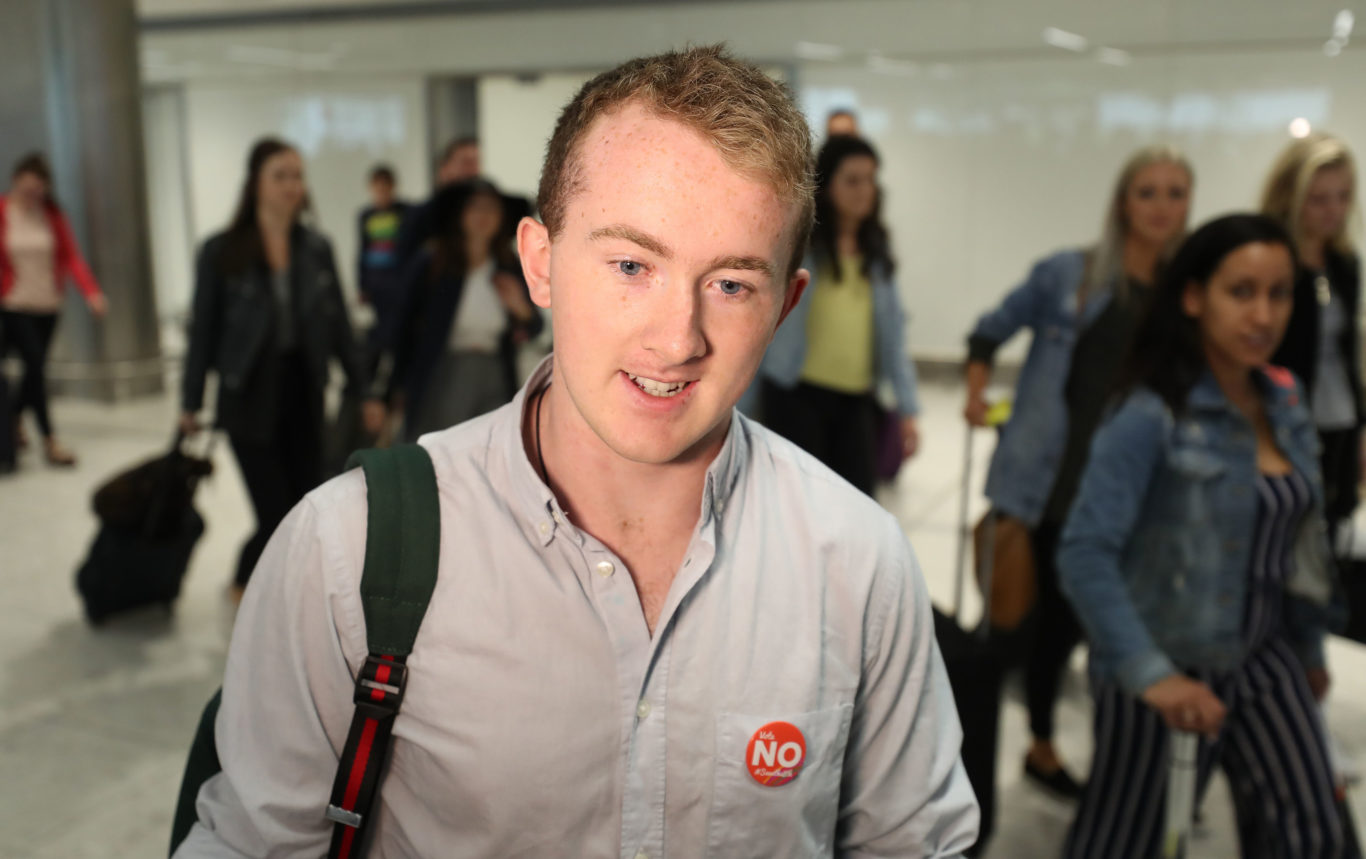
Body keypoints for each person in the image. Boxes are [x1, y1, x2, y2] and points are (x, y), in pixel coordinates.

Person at [174, 46, 977, 857]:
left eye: (731, 284)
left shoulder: (858, 562)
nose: (677, 339)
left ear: (783, 305)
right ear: (540, 262)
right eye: (631, 264)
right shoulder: (347, 548)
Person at [1058, 214, 1347, 859]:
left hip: (1266, 652)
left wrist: (1310, 648)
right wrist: (1150, 675)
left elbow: (1301, 546)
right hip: (1167, 658)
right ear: (1193, 297)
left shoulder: (1286, 398)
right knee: (1124, 843)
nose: (1264, 314)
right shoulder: (1149, 411)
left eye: (1279, 293)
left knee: (1315, 834)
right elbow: (1085, 552)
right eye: (1241, 292)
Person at [963, 145, 1193, 798]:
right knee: (1032, 626)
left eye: (1175, 193)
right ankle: (1029, 746)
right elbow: (987, 332)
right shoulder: (1074, 274)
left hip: (1135, 488)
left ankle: (1109, 756)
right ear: (1123, 201)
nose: (1161, 206)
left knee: (1106, 627)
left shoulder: (1187, 297)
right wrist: (979, 394)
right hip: (1049, 482)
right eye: (1147, 191)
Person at [180, 137, 382, 599]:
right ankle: (248, 580)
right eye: (280, 175)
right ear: (256, 183)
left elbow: (340, 329)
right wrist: (190, 401)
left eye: (297, 175)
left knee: (304, 501)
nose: (292, 185)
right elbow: (203, 333)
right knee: (273, 507)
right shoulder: (222, 251)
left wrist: (365, 391)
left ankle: (284, 589)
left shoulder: (315, 248)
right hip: (247, 393)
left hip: (303, 388)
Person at [750, 135, 921, 495]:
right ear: (827, 185)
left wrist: (907, 408)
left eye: (871, 179)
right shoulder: (801, 247)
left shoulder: (876, 254)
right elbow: (759, 322)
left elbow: (893, 337)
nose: (865, 190)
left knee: (856, 501)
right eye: (853, 180)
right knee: (797, 504)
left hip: (856, 399)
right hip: (797, 393)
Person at [1262, 132, 1364, 542]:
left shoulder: (1344, 264)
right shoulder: (1271, 262)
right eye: (1319, 199)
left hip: (1340, 416)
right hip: (1284, 415)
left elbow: (1348, 354)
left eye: (1342, 197)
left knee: (1336, 522)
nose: (1333, 211)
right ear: (1292, 196)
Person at [391, 178, 543, 438]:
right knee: (443, 450)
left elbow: (535, 325)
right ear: (460, 214)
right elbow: (402, 326)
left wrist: (521, 309)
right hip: (444, 371)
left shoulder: (508, 266)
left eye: (491, 208)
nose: (483, 216)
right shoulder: (434, 263)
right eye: (475, 207)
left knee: (490, 451)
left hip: (496, 371)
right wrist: (392, 388)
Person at [0, 152, 107, 466]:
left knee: (35, 371)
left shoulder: (52, 215)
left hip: (48, 304)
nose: (33, 196)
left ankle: (16, 419)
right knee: (35, 367)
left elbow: (71, 256)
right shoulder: (3, 211)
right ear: (16, 182)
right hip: (13, 303)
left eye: (38, 191)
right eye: (27, 189)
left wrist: (92, 293)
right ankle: (50, 440)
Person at [355, 163, 412, 374]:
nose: (381, 192)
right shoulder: (365, 216)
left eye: (385, 187)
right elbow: (362, 251)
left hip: (396, 284)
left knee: (396, 335)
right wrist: (361, 285)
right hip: (375, 284)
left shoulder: (404, 213)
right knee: (375, 337)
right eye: (377, 187)